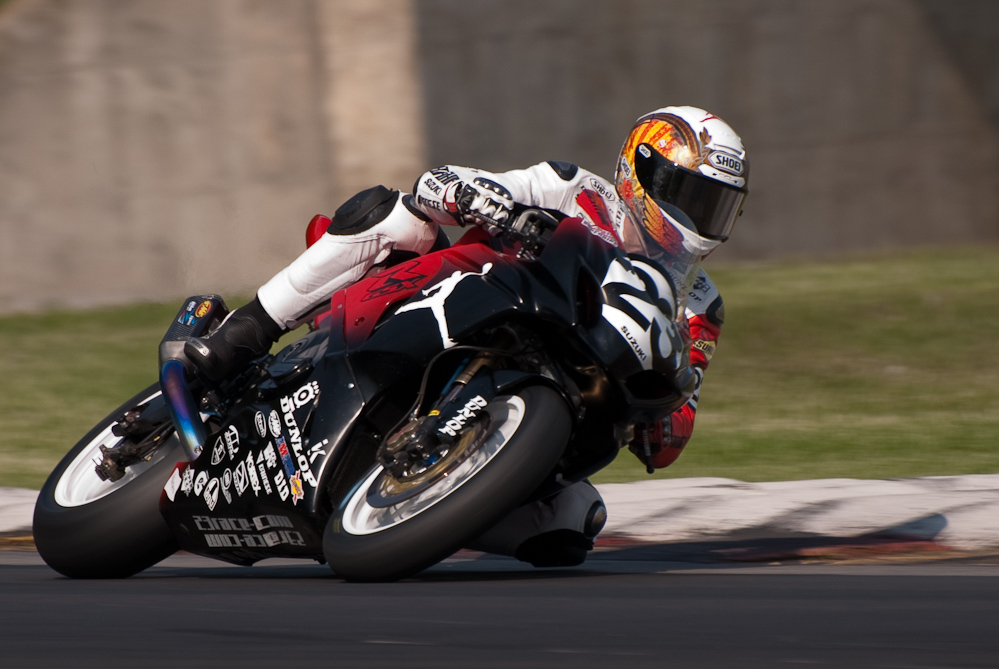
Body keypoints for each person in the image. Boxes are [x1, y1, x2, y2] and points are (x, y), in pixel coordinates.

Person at [185, 106, 749, 565]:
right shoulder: (573, 189)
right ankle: (248, 327)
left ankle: (423, 506)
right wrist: (481, 199)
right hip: (455, 297)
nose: (699, 219)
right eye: (688, 196)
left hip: (556, 387)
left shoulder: (699, 304)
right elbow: (438, 184)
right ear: (641, 172)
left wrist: (661, 417)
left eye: (715, 207)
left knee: (572, 523)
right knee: (396, 214)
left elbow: (678, 418)